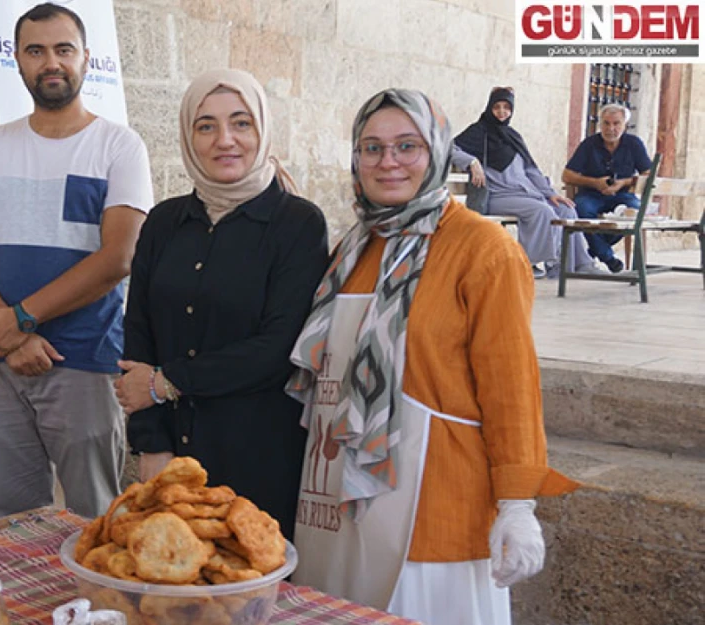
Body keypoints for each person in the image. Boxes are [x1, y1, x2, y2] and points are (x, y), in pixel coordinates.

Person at [286, 89, 577, 625]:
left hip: (435, 507)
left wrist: (517, 504)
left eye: (406, 146)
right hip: (337, 505)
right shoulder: (353, 247)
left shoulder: (482, 248)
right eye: (371, 148)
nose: (388, 162)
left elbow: (510, 384)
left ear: (439, 152)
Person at [0, 3, 154, 519]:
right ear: (16, 59)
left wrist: (20, 320)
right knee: (12, 516)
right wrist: (10, 336)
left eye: (63, 49)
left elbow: (119, 257)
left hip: (82, 359)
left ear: (86, 57)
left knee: (94, 517)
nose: (51, 63)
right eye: (35, 51)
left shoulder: (119, 145)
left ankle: (97, 604)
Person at [115, 69, 328, 538]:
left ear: (263, 130)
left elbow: (278, 348)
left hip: (259, 459)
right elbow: (140, 331)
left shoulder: (297, 225)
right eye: (206, 126)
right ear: (189, 136)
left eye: (241, 123)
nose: (224, 140)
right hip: (170, 457)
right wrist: (151, 443)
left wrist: (167, 383)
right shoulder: (165, 222)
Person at [453, 87, 599, 278]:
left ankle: (578, 264)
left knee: (566, 210)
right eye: (497, 107)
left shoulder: (513, 136)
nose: (502, 112)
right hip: (497, 196)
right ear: (489, 108)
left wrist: (550, 193)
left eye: (507, 107)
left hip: (524, 193)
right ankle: (529, 263)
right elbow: (446, 148)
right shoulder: (477, 132)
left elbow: (531, 169)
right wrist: (471, 161)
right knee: (542, 211)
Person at [562, 103, 652, 273]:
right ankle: (608, 257)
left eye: (616, 123)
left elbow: (648, 174)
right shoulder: (589, 144)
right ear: (600, 124)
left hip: (622, 195)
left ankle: (594, 250)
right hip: (592, 195)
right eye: (606, 123)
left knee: (634, 211)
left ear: (624, 125)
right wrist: (595, 182)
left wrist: (624, 183)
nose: (611, 128)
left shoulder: (634, 144)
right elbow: (567, 175)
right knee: (581, 209)